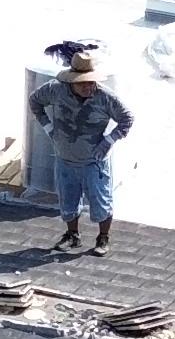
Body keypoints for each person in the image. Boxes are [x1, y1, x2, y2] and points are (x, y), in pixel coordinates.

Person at [34, 47, 134, 253]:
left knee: (101, 201)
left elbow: (127, 118)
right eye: (83, 83)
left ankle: (103, 238)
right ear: (72, 82)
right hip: (65, 158)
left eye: (91, 82)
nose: (88, 86)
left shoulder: (105, 97)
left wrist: (109, 140)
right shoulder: (55, 90)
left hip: (94, 161)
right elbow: (35, 102)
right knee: (67, 200)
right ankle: (72, 235)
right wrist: (49, 128)